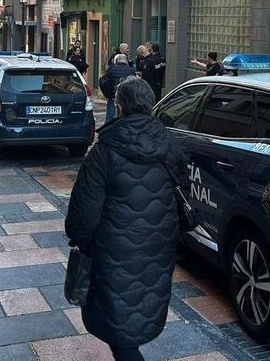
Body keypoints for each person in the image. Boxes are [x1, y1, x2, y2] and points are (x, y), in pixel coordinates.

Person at [66, 76, 187, 361]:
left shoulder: (105, 150)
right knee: (141, 306)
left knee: (117, 320)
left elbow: (84, 212)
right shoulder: (169, 141)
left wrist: (81, 242)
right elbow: (182, 184)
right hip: (160, 243)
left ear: (120, 107)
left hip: (114, 249)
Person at [100, 54, 136, 123]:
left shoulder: (111, 69)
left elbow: (104, 81)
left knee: (110, 116)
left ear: (117, 61)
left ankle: (108, 129)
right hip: (127, 97)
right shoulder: (131, 70)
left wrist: (108, 94)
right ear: (126, 61)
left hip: (113, 96)